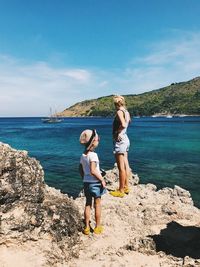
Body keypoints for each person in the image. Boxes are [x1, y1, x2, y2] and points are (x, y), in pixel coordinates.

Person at [79, 129, 106, 235]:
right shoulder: (93, 155)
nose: (99, 140)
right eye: (98, 138)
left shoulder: (83, 155)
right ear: (93, 141)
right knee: (97, 204)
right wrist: (102, 180)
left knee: (88, 204)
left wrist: (84, 178)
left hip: (86, 183)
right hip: (95, 183)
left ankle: (86, 227)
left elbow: (80, 169)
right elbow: (93, 170)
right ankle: (97, 227)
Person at [110, 95, 131, 198]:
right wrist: (123, 132)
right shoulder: (126, 112)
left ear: (116, 103)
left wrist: (117, 133)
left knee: (120, 167)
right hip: (126, 139)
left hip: (120, 141)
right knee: (126, 165)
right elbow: (128, 122)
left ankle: (121, 190)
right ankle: (126, 186)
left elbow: (123, 124)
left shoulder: (119, 112)